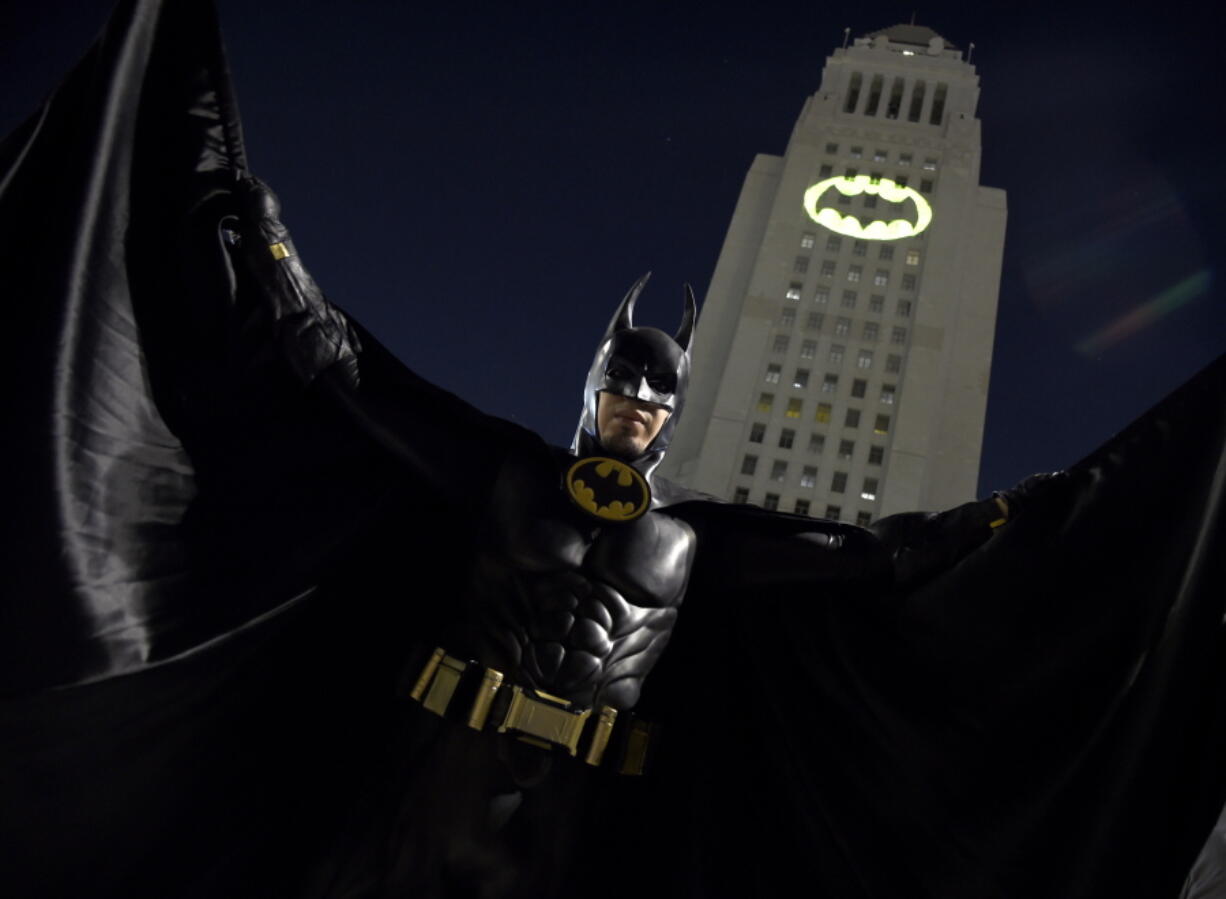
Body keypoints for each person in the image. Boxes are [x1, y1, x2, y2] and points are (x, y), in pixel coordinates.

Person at [235, 178, 1046, 898]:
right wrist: (272, 250)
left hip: (576, 797)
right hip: (441, 761)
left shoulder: (693, 536)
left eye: (661, 387)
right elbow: (358, 383)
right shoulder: (510, 473)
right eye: (623, 375)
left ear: (675, 411)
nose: (639, 395)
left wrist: (1001, 516)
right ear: (594, 384)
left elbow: (863, 554)